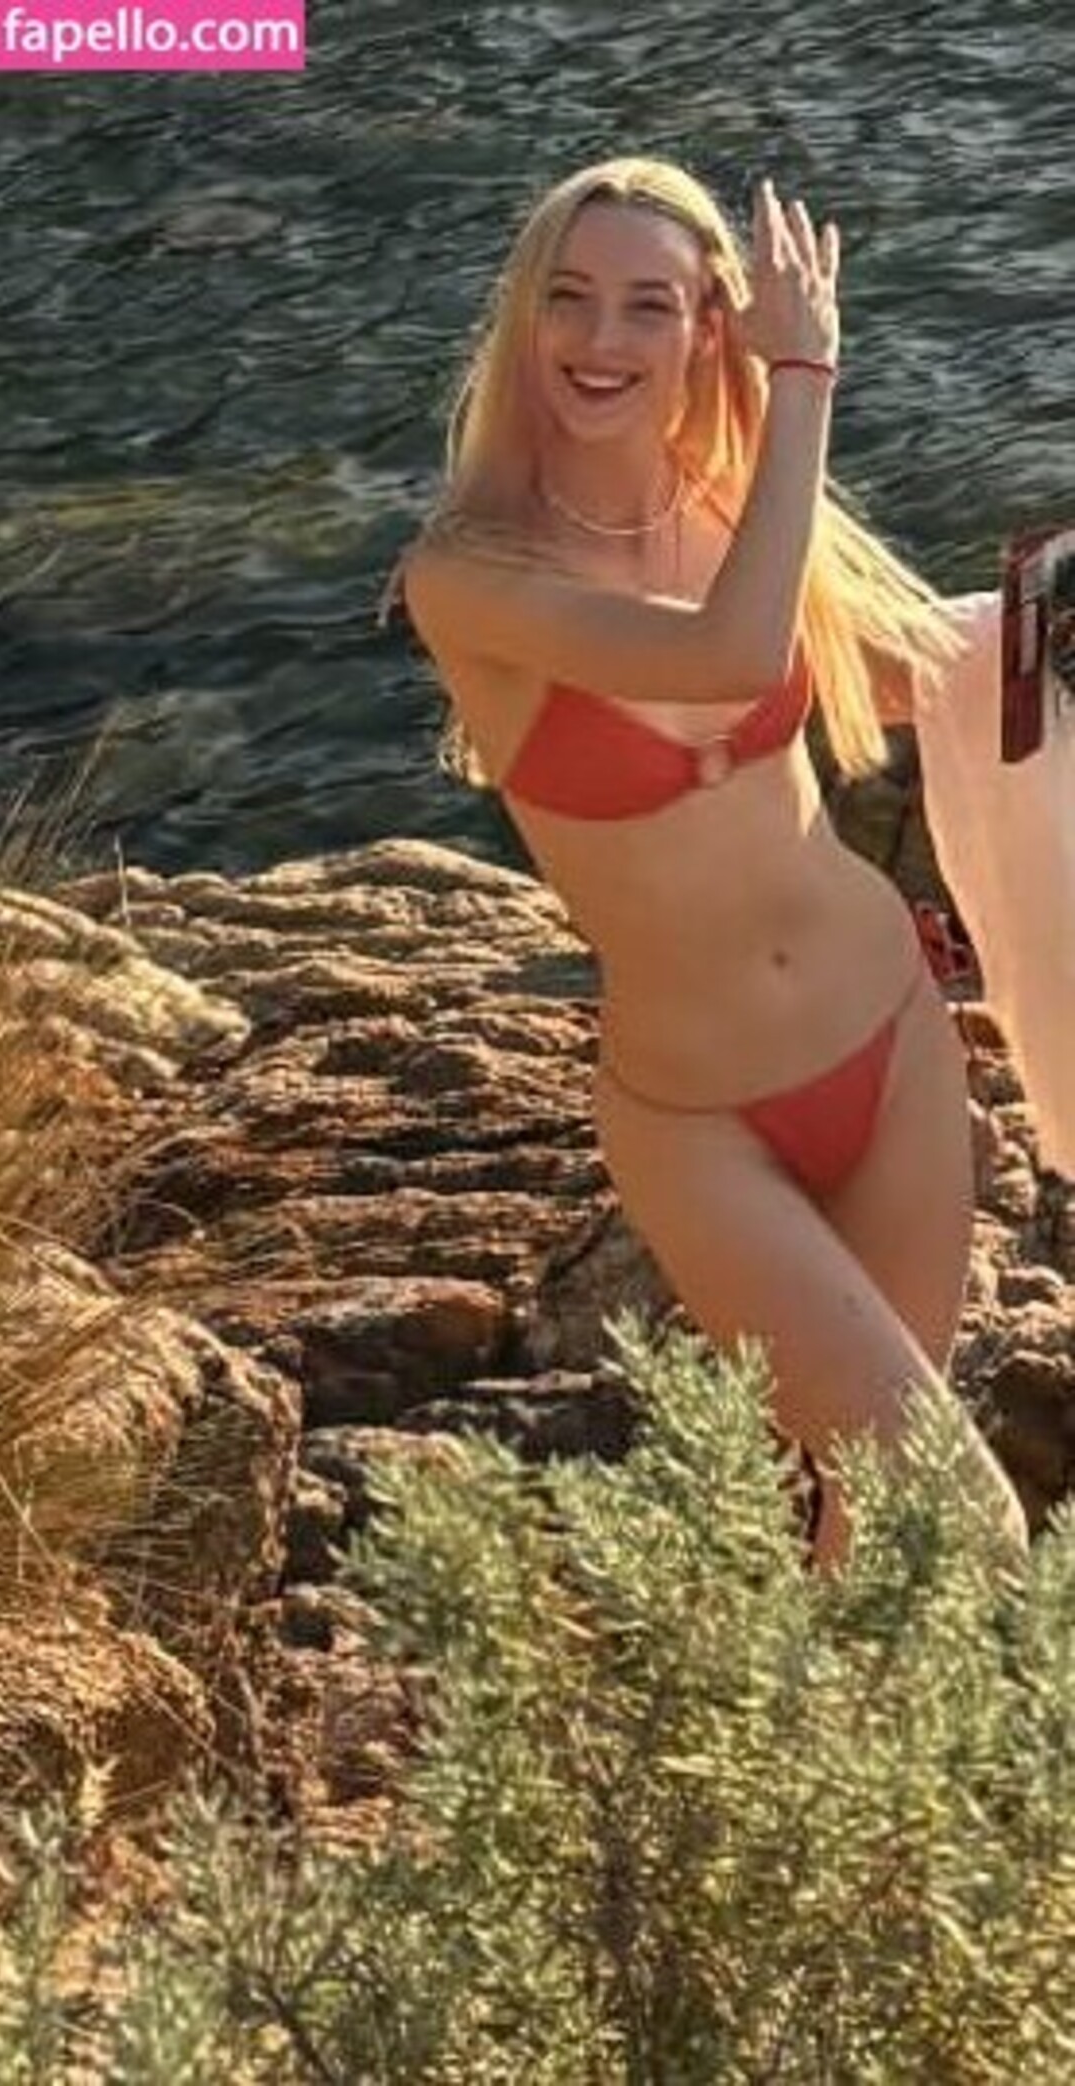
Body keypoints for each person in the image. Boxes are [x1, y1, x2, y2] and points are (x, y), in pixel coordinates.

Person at [385, 154, 1031, 1573]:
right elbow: (730, 655)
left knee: (863, 1531)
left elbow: (895, 671)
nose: (601, 338)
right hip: (704, 1119)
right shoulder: (469, 574)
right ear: (524, 317)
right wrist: (806, 378)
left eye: (649, 305)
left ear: (704, 330)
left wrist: (1044, 617)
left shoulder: (728, 498)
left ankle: (838, 1728)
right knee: (955, 1514)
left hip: (893, 1042)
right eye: (570, 297)